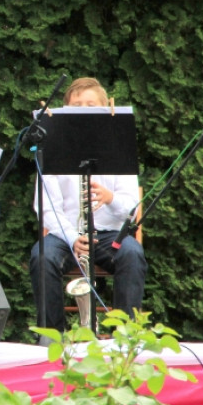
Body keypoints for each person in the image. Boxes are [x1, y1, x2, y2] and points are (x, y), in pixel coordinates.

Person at [29, 76, 147, 334]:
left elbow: (132, 209)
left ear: (105, 111)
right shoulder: (54, 148)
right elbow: (46, 207)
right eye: (77, 105)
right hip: (66, 233)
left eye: (90, 105)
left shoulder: (119, 147)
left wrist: (110, 198)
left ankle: (125, 337)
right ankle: (52, 338)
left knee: (132, 254)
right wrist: (72, 237)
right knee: (43, 255)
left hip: (108, 234)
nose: (83, 110)